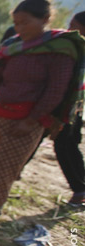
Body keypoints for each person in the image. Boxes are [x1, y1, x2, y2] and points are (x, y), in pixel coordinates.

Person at [0, 0, 84, 216]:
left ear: (45, 19)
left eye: (25, 22)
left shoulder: (59, 50)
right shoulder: (12, 46)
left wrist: (32, 120)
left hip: (26, 123)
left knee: (1, 173)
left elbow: (56, 90)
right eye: (16, 23)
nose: (19, 28)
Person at [54, 11, 85, 206]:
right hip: (75, 106)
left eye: (73, 25)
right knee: (68, 143)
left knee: (65, 144)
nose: (69, 29)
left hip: (69, 108)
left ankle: (80, 188)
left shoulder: (75, 49)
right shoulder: (75, 48)